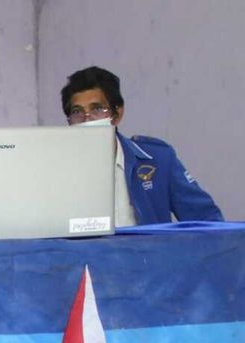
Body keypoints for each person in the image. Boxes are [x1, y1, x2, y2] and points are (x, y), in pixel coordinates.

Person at [61, 66, 223, 226]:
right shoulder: (58, 169)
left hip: (148, 251)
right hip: (88, 253)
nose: (87, 119)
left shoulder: (158, 159)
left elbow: (207, 219)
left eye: (97, 109)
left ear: (116, 114)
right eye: (77, 112)